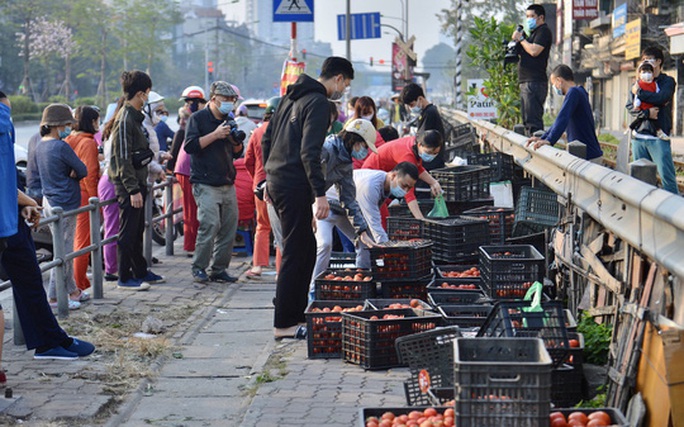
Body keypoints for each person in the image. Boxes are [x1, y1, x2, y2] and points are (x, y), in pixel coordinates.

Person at [262, 56, 354, 340]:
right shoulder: (315, 102)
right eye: (346, 84)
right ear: (338, 78)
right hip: (293, 183)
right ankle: (284, 323)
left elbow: (268, 139)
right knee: (296, 251)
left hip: (278, 180)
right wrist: (320, 194)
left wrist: (268, 174)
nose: (344, 90)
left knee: (302, 248)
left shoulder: (290, 98)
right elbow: (309, 152)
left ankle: (293, 312)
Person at [0, 92, 95, 361]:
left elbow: (10, 175)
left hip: (13, 215)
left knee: (30, 277)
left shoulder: (27, 138)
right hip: (14, 216)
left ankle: (49, 340)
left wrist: (23, 202)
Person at [307, 119, 378, 302]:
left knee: (365, 240)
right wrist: (309, 209)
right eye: (364, 146)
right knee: (325, 244)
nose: (365, 151)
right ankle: (314, 290)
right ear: (355, 141)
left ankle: (361, 282)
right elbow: (309, 177)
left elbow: (349, 199)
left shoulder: (346, 162)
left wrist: (361, 230)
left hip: (335, 208)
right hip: (317, 203)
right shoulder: (327, 150)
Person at [108, 70, 164, 291]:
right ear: (141, 93)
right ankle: (124, 276)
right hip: (128, 185)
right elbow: (122, 158)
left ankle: (139, 270)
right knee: (128, 231)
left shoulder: (135, 117)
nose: (148, 98)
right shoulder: (125, 120)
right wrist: (132, 189)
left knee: (138, 229)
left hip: (138, 181)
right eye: (147, 93)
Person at [184, 81, 244, 284]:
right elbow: (190, 146)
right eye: (225, 99)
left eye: (232, 100)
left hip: (227, 180)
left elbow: (238, 152)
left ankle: (219, 269)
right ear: (213, 99)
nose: (229, 103)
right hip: (205, 181)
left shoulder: (230, 119)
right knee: (210, 224)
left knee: (228, 228)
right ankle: (199, 267)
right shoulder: (198, 119)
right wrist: (216, 135)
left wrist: (235, 141)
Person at [34, 104, 88, 310]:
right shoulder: (61, 146)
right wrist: (73, 173)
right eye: (67, 124)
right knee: (64, 252)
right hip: (65, 203)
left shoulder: (40, 145)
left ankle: (72, 291)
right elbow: (81, 169)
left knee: (63, 248)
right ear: (58, 126)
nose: (68, 128)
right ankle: (55, 297)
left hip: (49, 200)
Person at [626, 46, 678, 195]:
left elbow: (662, 98)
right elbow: (630, 107)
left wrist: (640, 93)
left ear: (659, 62)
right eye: (643, 60)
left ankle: (674, 215)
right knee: (640, 181)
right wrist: (646, 113)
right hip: (639, 137)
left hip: (658, 139)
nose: (645, 63)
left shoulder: (667, 82)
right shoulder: (637, 83)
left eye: (649, 60)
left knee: (667, 179)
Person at [526, 64, 603, 163]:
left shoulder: (573, 92)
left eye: (554, 84)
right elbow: (559, 120)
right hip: (588, 154)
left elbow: (563, 118)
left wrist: (550, 140)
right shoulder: (579, 91)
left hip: (588, 156)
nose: (554, 87)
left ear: (559, 81)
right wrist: (543, 138)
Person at [362, 130, 443, 219]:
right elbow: (409, 193)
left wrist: (433, 182)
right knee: (381, 220)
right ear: (420, 145)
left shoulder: (414, 144)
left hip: (386, 177)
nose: (431, 156)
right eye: (429, 152)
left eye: (435, 154)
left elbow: (418, 168)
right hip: (371, 179)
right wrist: (420, 219)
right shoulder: (407, 155)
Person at [244, 96, 281, 279]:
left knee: (262, 226)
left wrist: (255, 180)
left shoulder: (257, 132)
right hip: (282, 185)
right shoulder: (286, 131)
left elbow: (248, 160)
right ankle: (281, 270)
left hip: (260, 184)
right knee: (282, 228)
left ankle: (258, 266)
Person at [65, 106, 101, 292]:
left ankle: (78, 281)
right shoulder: (88, 143)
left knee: (73, 242)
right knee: (83, 243)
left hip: (72, 195)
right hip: (85, 196)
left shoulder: (69, 138)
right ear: (91, 121)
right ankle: (78, 284)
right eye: (96, 120)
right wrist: (95, 200)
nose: (98, 124)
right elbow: (90, 174)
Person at [354, 162, 419, 250]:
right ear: (393, 175)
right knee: (328, 243)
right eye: (404, 186)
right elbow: (373, 221)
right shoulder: (371, 187)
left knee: (367, 244)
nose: (406, 191)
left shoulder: (386, 184)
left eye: (409, 188)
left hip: (351, 209)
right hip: (333, 203)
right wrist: (387, 248)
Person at [511, 4, 553, 136]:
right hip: (527, 82)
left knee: (533, 122)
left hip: (534, 82)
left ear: (541, 17)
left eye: (532, 16)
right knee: (527, 120)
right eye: (527, 16)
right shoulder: (533, 34)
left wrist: (522, 39)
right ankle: (532, 146)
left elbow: (534, 51)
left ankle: (538, 147)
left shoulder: (544, 32)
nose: (529, 19)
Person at [99, 96, 126, 282]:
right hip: (111, 180)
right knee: (112, 227)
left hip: (111, 179)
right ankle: (111, 269)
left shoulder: (113, 126)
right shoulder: (117, 128)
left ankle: (115, 266)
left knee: (116, 226)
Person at [400, 83, 446, 170]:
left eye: (412, 105)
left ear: (420, 98)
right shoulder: (427, 112)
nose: (411, 108)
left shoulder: (429, 113)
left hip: (432, 163)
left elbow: (424, 140)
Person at [173, 106, 198, 257]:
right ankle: (190, 246)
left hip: (188, 169)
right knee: (191, 210)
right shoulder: (196, 125)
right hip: (187, 170)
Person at [629, 61, 669, 141]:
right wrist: (642, 109)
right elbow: (630, 105)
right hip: (643, 107)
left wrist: (641, 93)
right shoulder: (637, 85)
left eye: (649, 72)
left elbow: (659, 96)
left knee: (654, 120)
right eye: (644, 72)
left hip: (652, 107)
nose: (646, 74)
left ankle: (659, 132)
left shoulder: (655, 84)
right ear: (639, 74)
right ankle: (630, 129)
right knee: (640, 119)